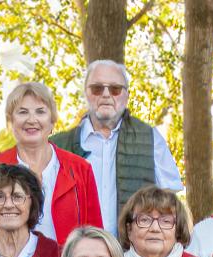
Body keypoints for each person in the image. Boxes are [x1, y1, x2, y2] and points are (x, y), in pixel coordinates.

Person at [50, 60, 182, 235]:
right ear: (86, 93)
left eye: (115, 89)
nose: (106, 95)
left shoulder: (150, 138)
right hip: (75, 254)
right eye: (97, 88)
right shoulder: (57, 145)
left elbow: (170, 201)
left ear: (126, 96)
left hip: (132, 255)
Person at [0, 82, 102, 244]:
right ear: (11, 121)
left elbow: (95, 235)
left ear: (52, 121)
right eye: (23, 112)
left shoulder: (80, 169)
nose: (32, 119)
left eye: (40, 112)